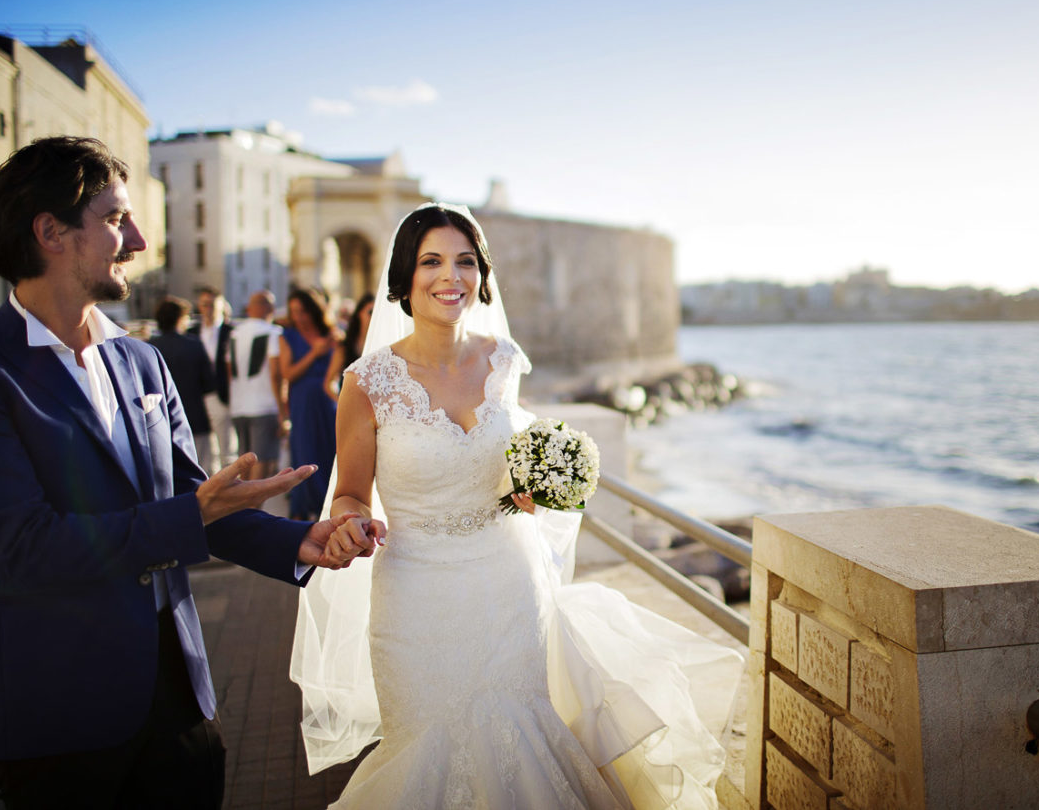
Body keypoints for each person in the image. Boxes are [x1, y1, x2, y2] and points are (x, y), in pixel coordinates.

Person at [0, 136, 376, 809]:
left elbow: (196, 504)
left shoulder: (141, 363)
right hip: (52, 715)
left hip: (176, 703)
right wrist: (191, 516)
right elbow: (21, 548)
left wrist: (297, 540)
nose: (136, 239)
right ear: (50, 232)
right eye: (114, 219)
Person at [292, 204, 743, 808]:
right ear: (404, 276)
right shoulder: (365, 382)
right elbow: (350, 489)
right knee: (429, 749)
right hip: (414, 597)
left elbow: (511, 465)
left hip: (509, 584)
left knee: (522, 736)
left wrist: (541, 484)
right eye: (432, 262)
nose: (451, 277)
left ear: (481, 275)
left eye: (465, 262)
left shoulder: (504, 359)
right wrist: (349, 519)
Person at [279, 288, 339, 520]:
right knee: (305, 452)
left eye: (303, 311)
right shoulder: (288, 337)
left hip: (328, 401)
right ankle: (304, 511)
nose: (298, 317)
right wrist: (314, 354)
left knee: (330, 451)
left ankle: (330, 507)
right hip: (302, 401)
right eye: (294, 312)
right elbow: (288, 374)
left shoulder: (331, 333)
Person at [148, 296, 217, 466]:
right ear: (180, 319)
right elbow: (209, 384)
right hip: (194, 418)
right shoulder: (194, 346)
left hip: (158, 422)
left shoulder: (148, 348)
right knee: (200, 471)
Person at [229, 291, 286, 482]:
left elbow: (229, 370)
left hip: (239, 405)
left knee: (244, 461)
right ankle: (253, 508)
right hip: (264, 404)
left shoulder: (235, 333)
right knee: (262, 461)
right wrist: (282, 410)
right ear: (267, 308)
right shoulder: (272, 332)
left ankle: (243, 508)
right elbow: (275, 373)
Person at [194, 287, 235, 473]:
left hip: (221, 393)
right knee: (203, 445)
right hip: (197, 394)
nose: (208, 308)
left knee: (226, 443)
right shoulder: (192, 332)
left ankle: (230, 479)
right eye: (204, 304)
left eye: (212, 304)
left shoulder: (231, 332)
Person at [324, 292, 373, 401]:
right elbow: (328, 383)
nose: (374, 317)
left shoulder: (386, 346)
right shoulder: (345, 347)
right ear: (359, 313)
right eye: (370, 312)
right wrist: (343, 403)